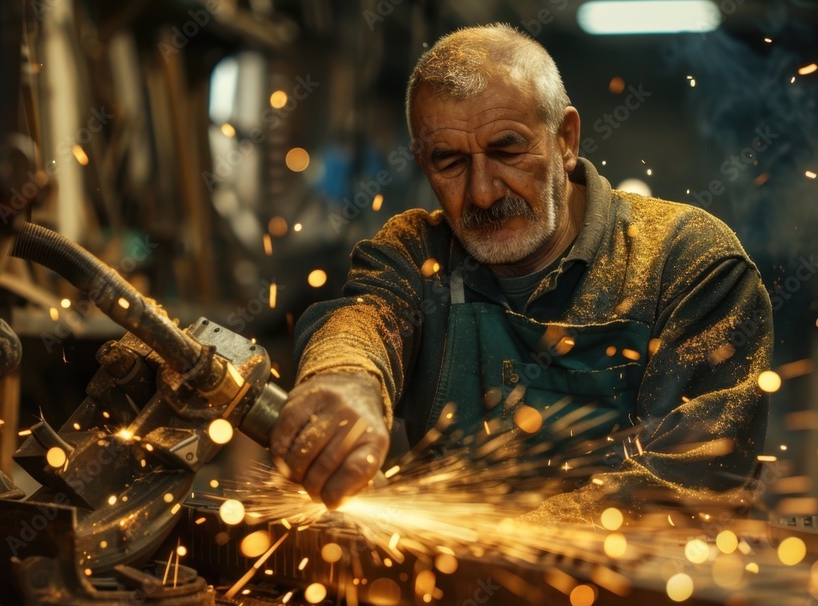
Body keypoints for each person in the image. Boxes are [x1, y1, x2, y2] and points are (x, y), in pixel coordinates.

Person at [269, 24, 773, 519]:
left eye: (507, 150)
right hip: (446, 584)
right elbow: (361, 318)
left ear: (566, 139)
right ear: (423, 162)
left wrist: (506, 541)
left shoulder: (688, 262)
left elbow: (695, 477)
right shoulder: (416, 251)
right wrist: (346, 377)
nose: (484, 193)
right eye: (450, 162)